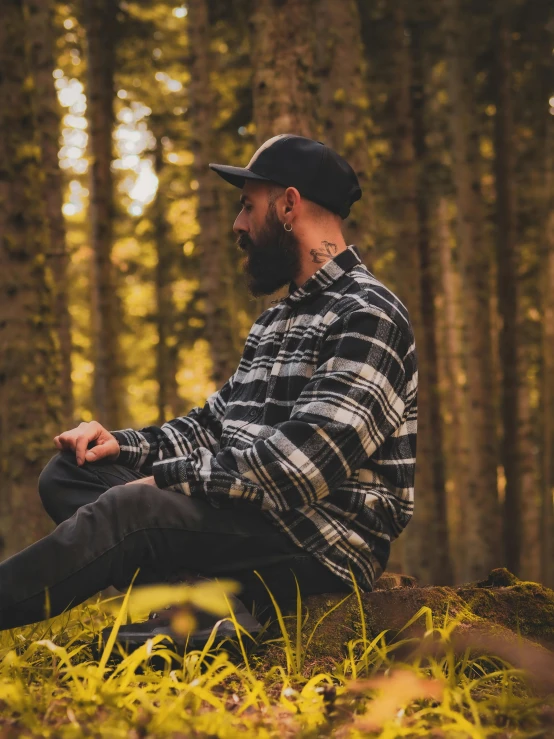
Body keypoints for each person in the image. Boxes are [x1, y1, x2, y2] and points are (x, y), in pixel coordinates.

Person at [0, 134, 417, 645]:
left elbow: (299, 469)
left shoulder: (368, 315)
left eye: (247, 207)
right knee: (70, 473)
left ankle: (203, 612)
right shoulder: (274, 322)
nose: (237, 225)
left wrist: (161, 483)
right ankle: (213, 611)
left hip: (318, 542)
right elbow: (213, 425)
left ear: (289, 205)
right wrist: (122, 445)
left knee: (133, 507)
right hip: (251, 517)